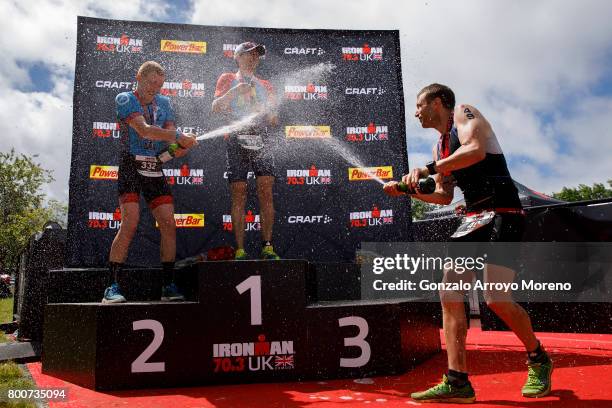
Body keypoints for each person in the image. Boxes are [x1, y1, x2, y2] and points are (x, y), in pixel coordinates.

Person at [383, 84, 553, 403]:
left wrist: (429, 170)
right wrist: (407, 190)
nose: (416, 112)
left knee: (496, 299)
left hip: (503, 212)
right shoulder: (439, 148)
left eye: (420, 105)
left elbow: (474, 150)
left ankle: (539, 358)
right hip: (473, 218)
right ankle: (457, 380)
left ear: (438, 102)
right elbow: (444, 196)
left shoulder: (464, 113)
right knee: (449, 292)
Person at [103, 61, 198, 303]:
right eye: (151, 82)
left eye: (159, 85)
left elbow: (171, 145)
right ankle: (111, 287)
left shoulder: (164, 103)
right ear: (139, 77)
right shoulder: (125, 99)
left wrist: (181, 147)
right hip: (130, 165)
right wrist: (178, 136)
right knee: (130, 222)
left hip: (154, 166)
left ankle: (168, 285)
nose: (155, 88)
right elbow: (144, 131)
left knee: (168, 224)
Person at [212, 42, 280, 260]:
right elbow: (215, 107)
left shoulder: (266, 85)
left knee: (266, 190)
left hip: (261, 137)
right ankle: (240, 249)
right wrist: (234, 92)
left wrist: (269, 114)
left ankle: (267, 247)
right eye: (249, 55)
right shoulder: (227, 79)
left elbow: (274, 119)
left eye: (257, 55)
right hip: (235, 137)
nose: (254, 58)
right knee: (239, 192)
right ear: (238, 58)